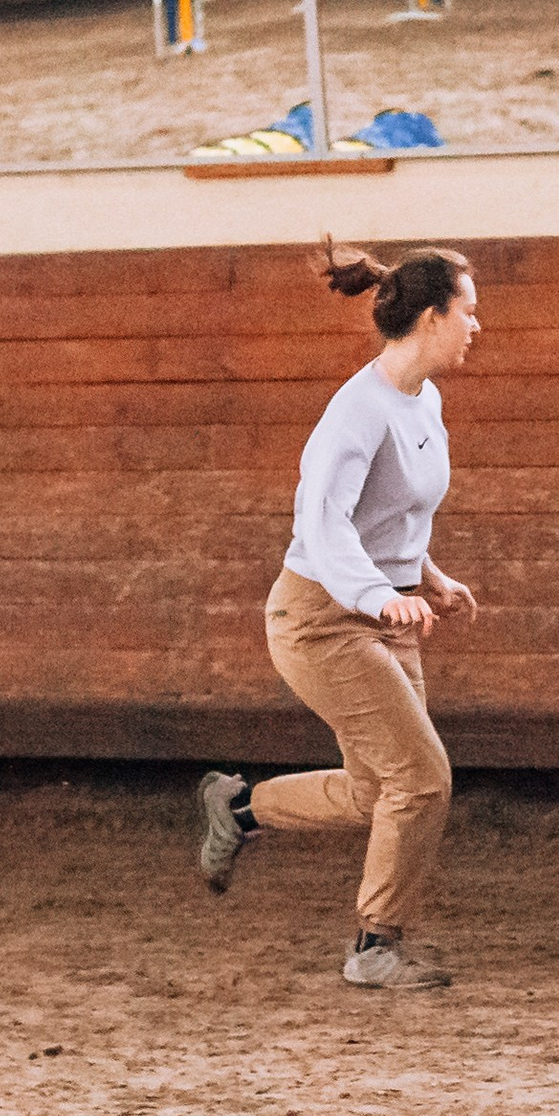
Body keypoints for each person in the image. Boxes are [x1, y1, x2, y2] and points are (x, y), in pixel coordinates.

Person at [195, 240, 480, 989]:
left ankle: (240, 806)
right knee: (421, 779)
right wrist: (379, 595)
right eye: (468, 312)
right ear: (430, 317)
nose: (476, 327)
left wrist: (429, 578)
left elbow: (393, 516)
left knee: (375, 791)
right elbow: (325, 525)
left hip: (385, 608)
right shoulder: (355, 413)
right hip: (321, 619)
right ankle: (374, 946)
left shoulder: (424, 399)